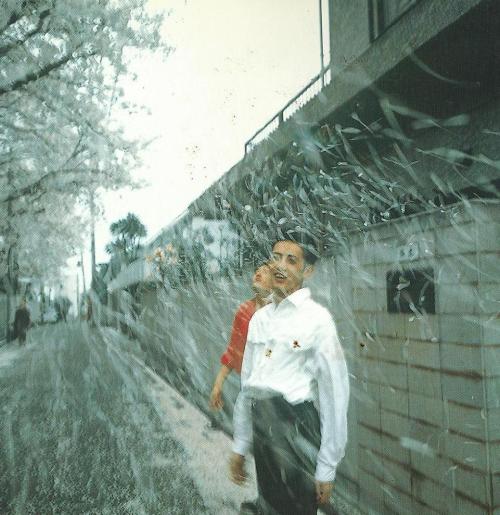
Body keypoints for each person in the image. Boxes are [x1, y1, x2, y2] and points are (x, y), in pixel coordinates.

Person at [229, 234, 349, 515]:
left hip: (296, 426)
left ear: (307, 270)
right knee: (269, 506)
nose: (280, 266)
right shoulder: (260, 319)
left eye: (291, 260)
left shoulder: (317, 320)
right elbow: (249, 386)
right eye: (276, 257)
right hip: (263, 422)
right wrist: (241, 443)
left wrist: (327, 466)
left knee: (297, 510)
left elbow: (335, 395)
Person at [209, 264, 272, 410]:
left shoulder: (280, 312)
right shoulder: (244, 311)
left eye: (265, 271)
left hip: (278, 392)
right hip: (252, 391)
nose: (258, 273)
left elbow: (292, 345)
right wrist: (217, 386)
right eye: (257, 270)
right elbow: (232, 353)